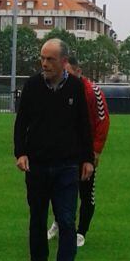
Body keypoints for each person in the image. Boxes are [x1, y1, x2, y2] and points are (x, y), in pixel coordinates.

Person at [14, 38, 94, 261]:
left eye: (50, 59)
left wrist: (88, 160)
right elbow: (21, 122)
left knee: (67, 220)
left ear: (63, 62)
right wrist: (21, 153)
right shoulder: (33, 86)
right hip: (36, 165)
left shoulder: (77, 87)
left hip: (67, 166)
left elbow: (84, 125)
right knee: (37, 217)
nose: (44, 64)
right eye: (42, 58)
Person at [47, 56, 110, 248]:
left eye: (69, 73)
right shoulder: (57, 89)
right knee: (59, 189)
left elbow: (103, 121)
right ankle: (59, 222)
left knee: (85, 192)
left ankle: (81, 232)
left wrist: (96, 151)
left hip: (85, 152)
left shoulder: (93, 91)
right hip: (63, 150)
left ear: (78, 71)